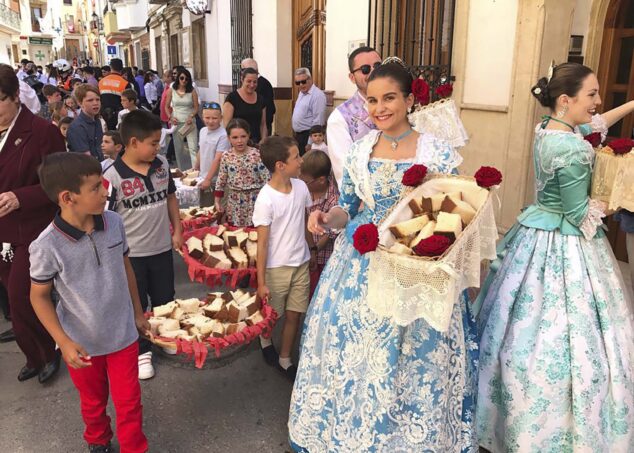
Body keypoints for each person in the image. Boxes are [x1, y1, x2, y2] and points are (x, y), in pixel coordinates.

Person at [288, 61, 474, 452]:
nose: (379, 108)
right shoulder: (359, 151)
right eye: (372, 100)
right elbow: (351, 208)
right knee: (356, 354)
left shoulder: (435, 150)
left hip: (415, 260)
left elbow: (452, 210)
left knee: (411, 353)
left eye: (389, 98)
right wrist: (326, 216)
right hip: (361, 260)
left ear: (409, 99)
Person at [476, 63, 634, 451]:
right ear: (566, 100)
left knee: (509, 325)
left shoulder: (549, 129)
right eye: (592, 94)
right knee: (571, 339)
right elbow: (580, 216)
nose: (598, 103)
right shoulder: (573, 149)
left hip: (535, 232)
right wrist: (619, 198)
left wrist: (630, 104)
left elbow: (596, 125)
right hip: (567, 241)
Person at [30, 152, 150, 453]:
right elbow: (39, 296)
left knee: (129, 402)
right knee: (93, 401)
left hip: (123, 335)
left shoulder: (114, 222)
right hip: (81, 343)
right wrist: (63, 342)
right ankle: (98, 441)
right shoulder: (46, 245)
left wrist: (138, 312)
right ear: (68, 197)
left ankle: (135, 447)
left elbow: (126, 268)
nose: (105, 190)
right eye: (96, 187)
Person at [103, 110, 183, 380]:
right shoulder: (112, 177)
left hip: (161, 248)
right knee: (136, 304)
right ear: (133, 142)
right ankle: (142, 349)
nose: (157, 147)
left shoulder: (160, 163)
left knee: (164, 298)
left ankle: (164, 335)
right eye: (153, 142)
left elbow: (171, 197)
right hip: (131, 256)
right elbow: (104, 219)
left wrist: (178, 228)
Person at [0, 63, 66, 383]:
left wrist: (20, 196)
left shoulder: (42, 132)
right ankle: (33, 355)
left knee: (22, 297)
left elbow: (61, 182)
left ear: (16, 96)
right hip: (2, 234)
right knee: (15, 306)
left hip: (32, 230)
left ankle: (50, 351)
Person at [253, 136, 313, 379]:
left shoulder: (301, 187)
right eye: (296, 156)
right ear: (280, 165)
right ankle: (265, 339)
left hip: (301, 262)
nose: (301, 160)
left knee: (295, 314)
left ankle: (285, 358)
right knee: (273, 315)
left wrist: (313, 250)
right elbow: (263, 243)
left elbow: (305, 222)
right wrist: (260, 282)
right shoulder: (266, 198)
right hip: (276, 268)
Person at [327, 46, 382, 187]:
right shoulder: (339, 118)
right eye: (365, 69)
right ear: (352, 77)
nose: (374, 72)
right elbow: (345, 173)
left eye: (378, 66)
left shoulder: (398, 106)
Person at [214, 119, 269, 226]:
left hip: (255, 201)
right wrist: (217, 201)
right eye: (235, 137)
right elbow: (221, 180)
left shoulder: (257, 154)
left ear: (248, 135)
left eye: (243, 136)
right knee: (236, 235)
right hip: (234, 202)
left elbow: (267, 179)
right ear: (228, 138)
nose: (239, 141)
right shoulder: (226, 156)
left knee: (255, 232)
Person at [299, 150, 339, 298]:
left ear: (321, 180)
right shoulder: (305, 192)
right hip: (307, 252)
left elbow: (329, 234)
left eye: (305, 181)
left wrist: (314, 252)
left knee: (320, 294)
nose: (301, 184)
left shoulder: (334, 200)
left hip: (323, 257)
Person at [222, 67, 267, 144]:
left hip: (256, 143)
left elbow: (263, 124)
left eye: (255, 82)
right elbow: (227, 125)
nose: (252, 85)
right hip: (238, 143)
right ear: (242, 80)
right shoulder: (232, 98)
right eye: (249, 81)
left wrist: (263, 140)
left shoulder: (261, 99)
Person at [166, 67, 199, 170]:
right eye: (182, 78)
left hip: (189, 123)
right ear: (177, 79)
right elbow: (166, 106)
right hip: (177, 123)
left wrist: (192, 115)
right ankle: (182, 171)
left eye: (187, 79)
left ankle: (195, 171)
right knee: (178, 149)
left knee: (193, 148)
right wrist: (170, 117)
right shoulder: (171, 90)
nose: (184, 80)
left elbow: (196, 107)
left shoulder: (192, 91)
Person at [291, 67, 327, 156]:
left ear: (310, 79)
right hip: (298, 136)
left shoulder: (317, 95)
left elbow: (318, 120)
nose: (301, 85)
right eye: (297, 83)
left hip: (308, 136)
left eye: (303, 81)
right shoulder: (302, 93)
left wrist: (310, 142)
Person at [197, 102, 230, 191]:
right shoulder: (202, 131)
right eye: (207, 118)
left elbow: (218, 159)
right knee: (204, 204)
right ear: (202, 117)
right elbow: (201, 149)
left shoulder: (223, 135)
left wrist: (208, 179)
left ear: (221, 118)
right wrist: (196, 167)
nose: (210, 121)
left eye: (214, 118)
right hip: (202, 176)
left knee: (215, 204)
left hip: (216, 180)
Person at [66, 84, 104, 161]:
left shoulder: (97, 121)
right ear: (80, 103)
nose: (95, 103)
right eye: (90, 100)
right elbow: (86, 158)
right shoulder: (77, 127)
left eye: (97, 99)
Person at [241, 58, 276, 135]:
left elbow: (267, 109)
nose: (252, 84)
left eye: (243, 69)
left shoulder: (263, 84)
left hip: (260, 128)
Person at [98, 58, 131, 130]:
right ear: (122, 68)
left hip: (104, 114)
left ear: (110, 67)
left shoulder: (101, 82)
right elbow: (129, 100)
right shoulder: (125, 83)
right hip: (120, 115)